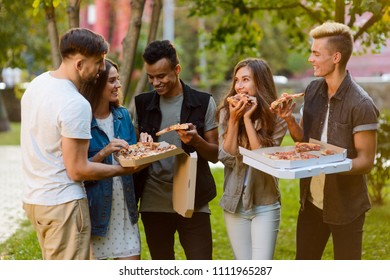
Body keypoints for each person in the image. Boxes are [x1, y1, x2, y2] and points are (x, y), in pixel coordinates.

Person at [20, 28, 142, 260]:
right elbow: (78, 169)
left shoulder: (37, 85)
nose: (100, 69)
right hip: (63, 204)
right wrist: (124, 169)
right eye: (97, 62)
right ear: (79, 64)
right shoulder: (75, 103)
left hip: (36, 201)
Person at [273, 22, 379, 260]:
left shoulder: (361, 104)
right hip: (311, 202)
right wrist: (289, 120)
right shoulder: (312, 91)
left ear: (336, 57)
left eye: (316, 53)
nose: (310, 59)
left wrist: (328, 163)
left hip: (347, 207)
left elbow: (365, 161)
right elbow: (304, 141)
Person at [133, 40, 219, 260]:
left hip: (193, 197)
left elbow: (215, 154)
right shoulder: (141, 104)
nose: (155, 82)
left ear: (177, 70)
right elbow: (133, 156)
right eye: (151, 77)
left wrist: (196, 140)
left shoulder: (203, 102)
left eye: (161, 76)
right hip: (154, 200)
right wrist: (141, 148)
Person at [216, 58, 287, 259]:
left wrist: (246, 119)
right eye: (237, 80)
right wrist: (234, 120)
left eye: (245, 79)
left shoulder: (277, 117)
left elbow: (263, 159)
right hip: (234, 203)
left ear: (260, 82)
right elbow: (226, 157)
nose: (239, 86)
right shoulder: (226, 113)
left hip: (265, 203)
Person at [79, 59, 141, 260]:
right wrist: (104, 152)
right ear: (97, 84)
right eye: (112, 81)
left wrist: (143, 147)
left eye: (118, 80)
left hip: (125, 212)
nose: (118, 85)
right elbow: (78, 173)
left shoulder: (123, 115)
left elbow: (133, 163)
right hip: (96, 213)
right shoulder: (82, 119)